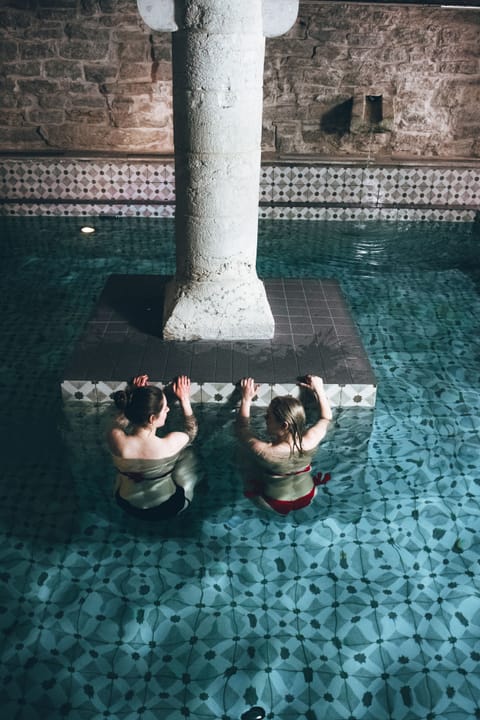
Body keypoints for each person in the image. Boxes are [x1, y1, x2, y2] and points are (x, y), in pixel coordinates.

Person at [236, 374, 332, 515]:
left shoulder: (264, 450)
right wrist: (319, 390)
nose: (265, 418)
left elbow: (241, 428)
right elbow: (326, 418)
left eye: (269, 416)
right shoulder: (311, 439)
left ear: (284, 425)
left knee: (242, 457)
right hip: (309, 495)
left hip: (272, 502)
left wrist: (246, 398)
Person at [106, 373, 199, 520]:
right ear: (152, 418)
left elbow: (120, 420)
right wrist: (185, 399)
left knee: (125, 473)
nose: (168, 409)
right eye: (165, 408)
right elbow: (191, 431)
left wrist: (135, 396)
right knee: (188, 454)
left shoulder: (116, 439)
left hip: (126, 504)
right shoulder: (170, 444)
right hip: (169, 508)